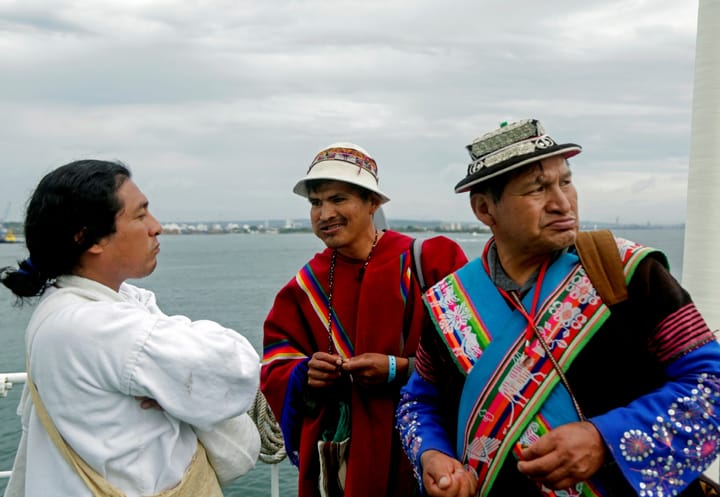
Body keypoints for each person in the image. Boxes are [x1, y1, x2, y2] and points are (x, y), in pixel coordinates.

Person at [396, 119, 720, 497]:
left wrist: (605, 438)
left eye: (566, 182)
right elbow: (418, 401)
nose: (562, 202)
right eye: (538, 189)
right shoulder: (447, 304)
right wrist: (433, 455)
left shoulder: (629, 273)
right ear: (485, 209)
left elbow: (711, 384)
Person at [1, 160, 261, 497]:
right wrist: (171, 386)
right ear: (89, 238)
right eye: (140, 216)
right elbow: (234, 368)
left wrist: (167, 384)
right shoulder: (98, 327)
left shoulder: (68, 308)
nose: (156, 227)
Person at [260, 143, 468, 497]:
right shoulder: (303, 286)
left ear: (373, 203)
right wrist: (306, 372)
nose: (324, 214)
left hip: (430, 448)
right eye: (315, 203)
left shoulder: (432, 262)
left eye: (338, 199)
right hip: (347, 461)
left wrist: (401, 369)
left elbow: (476, 357)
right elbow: (276, 363)